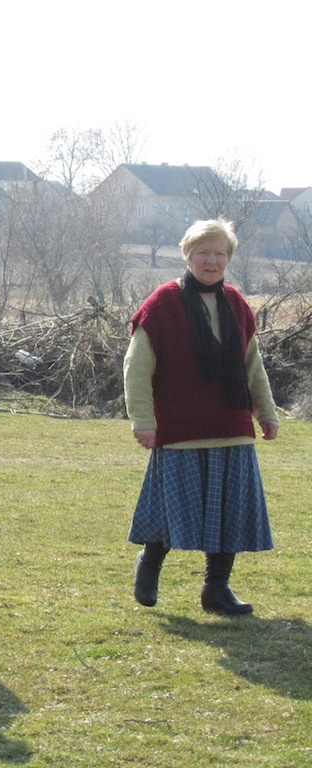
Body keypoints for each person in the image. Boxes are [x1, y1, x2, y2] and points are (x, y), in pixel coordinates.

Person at [124, 218, 278, 616]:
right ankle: (150, 562)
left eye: (219, 253)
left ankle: (217, 589)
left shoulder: (237, 304)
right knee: (173, 508)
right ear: (188, 255)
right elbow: (137, 367)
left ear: (229, 258)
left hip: (232, 424)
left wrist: (266, 412)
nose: (211, 260)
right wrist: (143, 420)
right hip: (180, 427)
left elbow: (252, 365)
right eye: (203, 252)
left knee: (229, 510)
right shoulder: (162, 304)